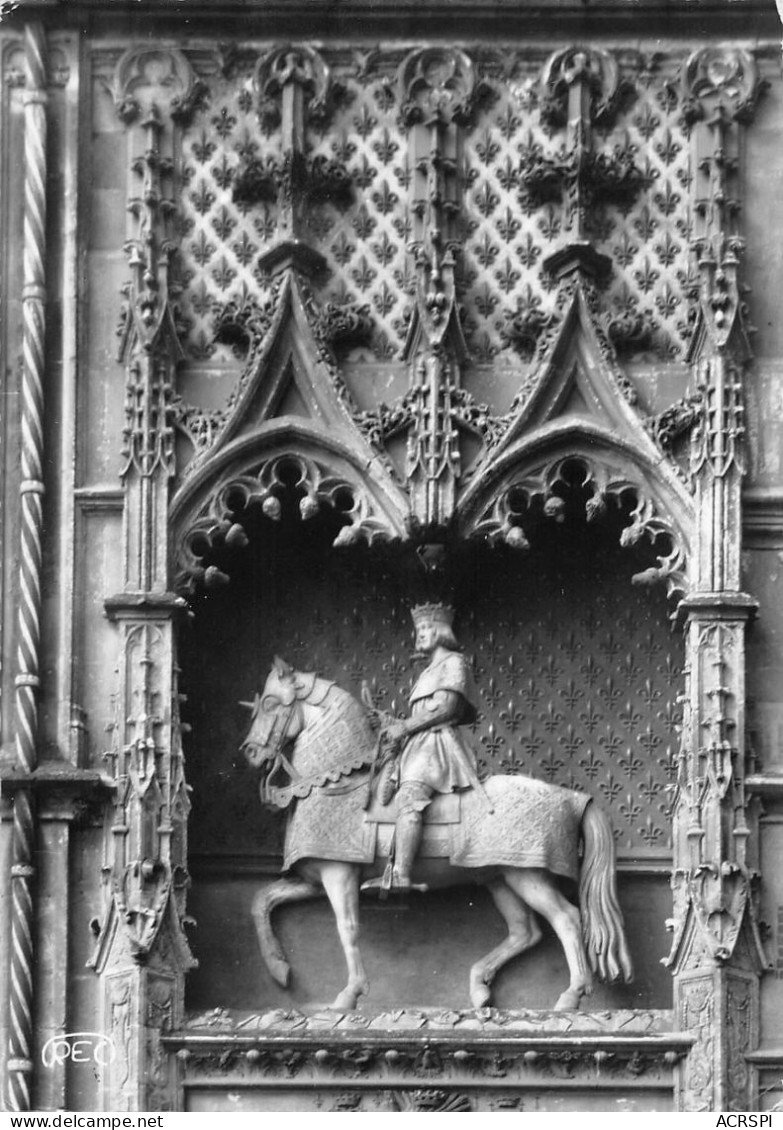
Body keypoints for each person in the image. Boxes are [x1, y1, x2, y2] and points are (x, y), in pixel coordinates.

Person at [363, 602, 484, 893]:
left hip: (437, 746)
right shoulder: (429, 669)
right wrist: (387, 721)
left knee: (409, 796)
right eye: (418, 630)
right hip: (418, 744)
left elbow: (445, 708)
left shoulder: (454, 662)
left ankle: (401, 874)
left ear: (441, 631)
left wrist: (403, 727)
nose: (420, 635)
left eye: (426, 629)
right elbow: (421, 714)